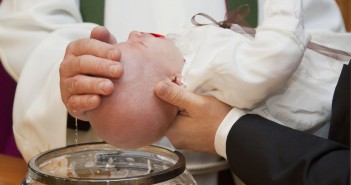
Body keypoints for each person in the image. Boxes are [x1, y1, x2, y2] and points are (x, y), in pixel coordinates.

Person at [0, 0, 346, 184]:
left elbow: (315, 50)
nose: (136, 33)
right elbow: (28, 30)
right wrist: (77, 77)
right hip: (113, 172)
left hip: (256, 167)